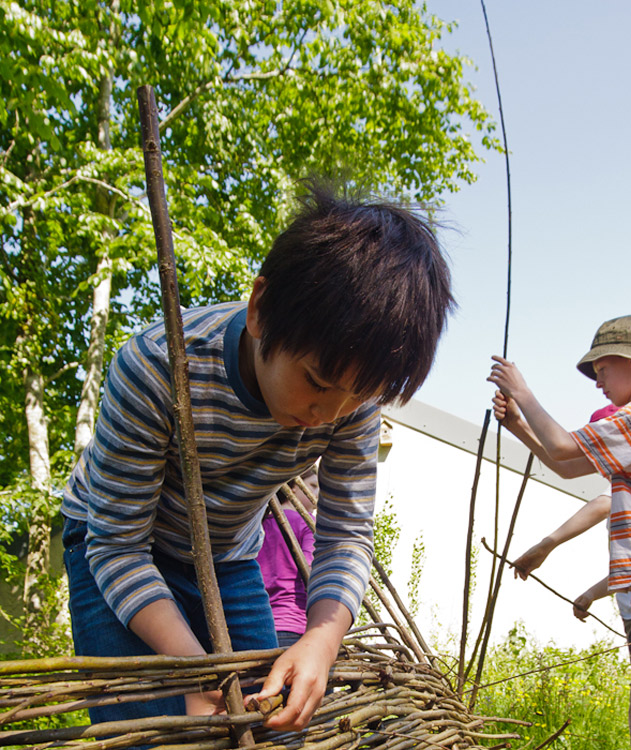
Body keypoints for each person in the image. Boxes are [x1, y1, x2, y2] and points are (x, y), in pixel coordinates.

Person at [62, 182, 454, 732]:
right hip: (118, 544)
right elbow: (117, 546)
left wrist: (321, 638)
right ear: (260, 309)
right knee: (152, 732)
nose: (328, 414)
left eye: (355, 398)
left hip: (227, 554)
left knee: (265, 730)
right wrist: (199, 673)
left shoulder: (350, 400)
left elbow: (345, 533)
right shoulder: (156, 368)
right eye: (315, 381)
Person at [488, 314, 631, 750]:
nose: (597, 382)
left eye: (601, 369)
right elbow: (568, 467)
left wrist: (523, 392)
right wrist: (518, 423)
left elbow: (561, 447)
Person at [511, 404, 631, 647]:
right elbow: (630, 570)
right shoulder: (623, 488)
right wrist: (517, 424)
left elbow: (602, 504)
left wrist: (546, 545)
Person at [257, 468, 319, 648]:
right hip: (295, 624)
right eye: (313, 486)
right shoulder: (307, 523)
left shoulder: (257, 526)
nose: (317, 494)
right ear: (292, 487)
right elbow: (312, 570)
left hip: (259, 627)